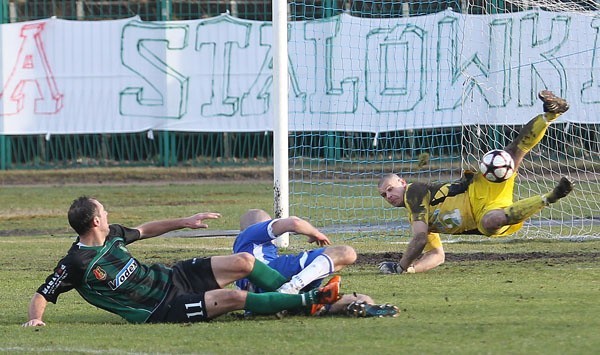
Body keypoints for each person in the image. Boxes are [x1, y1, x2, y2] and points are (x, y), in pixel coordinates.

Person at [22, 197, 341, 326]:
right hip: (160, 309)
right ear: (94, 222)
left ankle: (293, 299)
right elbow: (43, 293)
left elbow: (146, 229)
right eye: (103, 212)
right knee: (234, 297)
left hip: (172, 277)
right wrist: (35, 319)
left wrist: (184, 221)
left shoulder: (114, 234)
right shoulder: (76, 262)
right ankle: (305, 300)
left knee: (243, 261)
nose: (108, 214)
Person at [377, 90, 574, 274]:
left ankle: (551, 113)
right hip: (482, 215)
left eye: (390, 189)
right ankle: (550, 197)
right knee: (491, 221)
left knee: (512, 153)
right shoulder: (417, 218)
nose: (388, 196)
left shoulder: (414, 192)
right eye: (384, 195)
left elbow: (419, 240)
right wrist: (412, 270)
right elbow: (437, 256)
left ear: (402, 182)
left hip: (477, 189)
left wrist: (401, 267)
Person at [233, 209, 399, 317]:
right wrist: (315, 233)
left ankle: (340, 306)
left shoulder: (239, 254)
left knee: (363, 298)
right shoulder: (251, 233)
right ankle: (292, 287)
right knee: (346, 253)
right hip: (272, 274)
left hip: (261, 297)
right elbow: (294, 223)